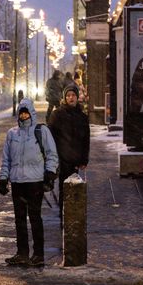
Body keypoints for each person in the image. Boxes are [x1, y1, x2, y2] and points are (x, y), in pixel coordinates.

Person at [0, 98, 59, 267]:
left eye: (26, 112)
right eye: (21, 113)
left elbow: (52, 154)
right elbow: (6, 160)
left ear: (31, 113)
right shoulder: (12, 134)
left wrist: (49, 173)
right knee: (19, 220)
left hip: (35, 182)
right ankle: (22, 253)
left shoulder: (41, 131)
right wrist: (4, 178)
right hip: (17, 182)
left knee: (35, 218)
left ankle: (38, 254)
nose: (23, 115)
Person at [48, 84, 90, 221]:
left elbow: (86, 140)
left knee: (75, 188)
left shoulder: (82, 117)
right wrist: (53, 158)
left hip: (76, 159)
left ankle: (72, 215)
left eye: (73, 95)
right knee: (63, 188)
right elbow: (51, 138)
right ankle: (64, 215)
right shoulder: (57, 115)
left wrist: (84, 159)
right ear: (64, 98)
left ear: (77, 97)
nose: (70, 98)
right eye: (68, 96)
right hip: (62, 158)